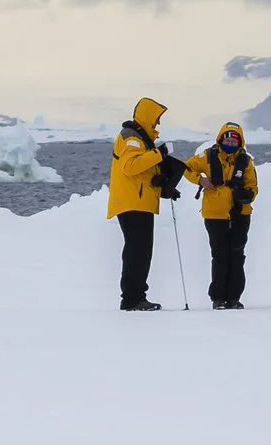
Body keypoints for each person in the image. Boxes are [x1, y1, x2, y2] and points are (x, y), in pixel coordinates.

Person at [106, 97, 184, 310]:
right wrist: (160, 153)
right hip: (132, 204)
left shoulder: (141, 140)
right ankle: (132, 299)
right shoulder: (132, 138)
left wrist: (162, 185)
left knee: (140, 251)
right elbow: (130, 166)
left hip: (139, 202)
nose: (158, 124)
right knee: (137, 251)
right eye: (156, 119)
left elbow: (141, 172)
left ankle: (136, 296)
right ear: (148, 117)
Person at [184, 122, 259, 308]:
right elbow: (186, 168)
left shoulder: (246, 161)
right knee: (219, 255)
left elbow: (253, 187)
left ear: (239, 142)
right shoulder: (207, 156)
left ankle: (234, 298)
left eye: (234, 141)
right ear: (220, 139)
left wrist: (247, 195)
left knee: (237, 255)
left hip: (239, 214)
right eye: (227, 139)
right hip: (214, 214)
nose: (230, 143)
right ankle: (217, 297)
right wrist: (200, 179)